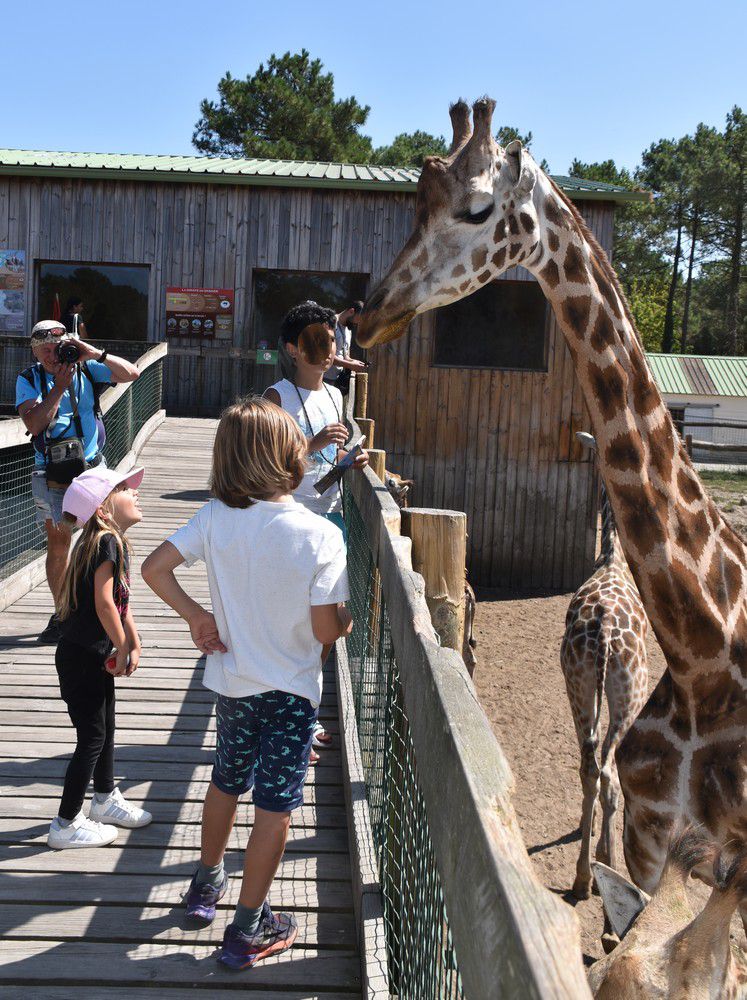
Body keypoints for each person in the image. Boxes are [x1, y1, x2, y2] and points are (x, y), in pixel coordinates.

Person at [141, 397, 353, 970]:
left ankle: (206, 884)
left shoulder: (214, 517)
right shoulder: (322, 535)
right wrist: (346, 618)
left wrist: (196, 617)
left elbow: (153, 568)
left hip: (232, 683)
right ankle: (248, 927)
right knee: (275, 808)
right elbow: (323, 629)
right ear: (291, 456)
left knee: (226, 781)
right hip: (291, 694)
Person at [265, 302, 368, 753]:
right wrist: (314, 442)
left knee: (326, 629)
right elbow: (271, 469)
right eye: (317, 342)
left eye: (331, 340)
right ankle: (284, 720)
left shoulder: (336, 396)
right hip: (291, 524)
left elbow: (332, 460)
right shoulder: (276, 398)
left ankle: (301, 718)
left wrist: (351, 460)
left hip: (332, 520)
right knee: (293, 629)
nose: (328, 351)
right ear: (292, 348)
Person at [47, 466, 153, 849]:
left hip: (89, 656)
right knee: (92, 736)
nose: (136, 493)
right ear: (104, 510)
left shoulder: (108, 542)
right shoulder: (106, 543)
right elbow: (105, 604)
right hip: (81, 658)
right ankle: (65, 824)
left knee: (105, 729)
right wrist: (122, 647)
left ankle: (105, 798)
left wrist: (134, 643)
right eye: (125, 489)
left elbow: (123, 606)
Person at [16, 320, 140, 643]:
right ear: (34, 352)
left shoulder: (85, 367)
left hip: (93, 468)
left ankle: (109, 609)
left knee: (106, 538)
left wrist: (92, 352)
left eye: (55, 349)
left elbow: (132, 374)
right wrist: (57, 386)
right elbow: (34, 422)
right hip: (52, 474)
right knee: (59, 545)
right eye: (43, 352)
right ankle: (63, 614)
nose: (51, 357)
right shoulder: (28, 380)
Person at [323, 300, 367, 392]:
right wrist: (350, 365)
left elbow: (345, 355)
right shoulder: (330, 323)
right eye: (358, 319)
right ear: (351, 311)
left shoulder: (348, 329)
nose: (357, 324)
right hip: (324, 378)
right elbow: (326, 355)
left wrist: (354, 362)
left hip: (337, 379)